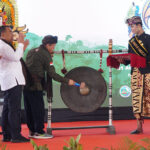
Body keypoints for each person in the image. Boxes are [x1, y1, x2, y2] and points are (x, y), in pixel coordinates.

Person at [23, 35, 85, 139]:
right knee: (38, 110)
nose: (53, 49)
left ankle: (32, 132)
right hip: (36, 86)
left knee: (29, 109)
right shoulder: (45, 55)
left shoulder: (31, 51)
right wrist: (68, 81)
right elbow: (52, 74)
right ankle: (39, 132)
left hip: (25, 85)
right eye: (53, 47)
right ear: (47, 45)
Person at [0, 26, 30, 142]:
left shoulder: (4, 45)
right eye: (9, 31)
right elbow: (16, 58)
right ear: (2, 34)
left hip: (9, 80)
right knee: (14, 109)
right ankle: (16, 136)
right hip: (13, 80)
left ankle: (7, 135)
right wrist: (21, 44)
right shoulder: (3, 45)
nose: (12, 34)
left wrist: (22, 46)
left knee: (8, 109)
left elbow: (14, 58)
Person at [125, 16, 150, 134]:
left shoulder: (149, 39)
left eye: (132, 27)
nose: (131, 30)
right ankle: (139, 127)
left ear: (139, 25)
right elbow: (130, 59)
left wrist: (142, 59)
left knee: (148, 98)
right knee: (136, 99)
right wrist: (123, 61)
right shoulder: (131, 42)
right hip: (135, 73)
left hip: (148, 72)